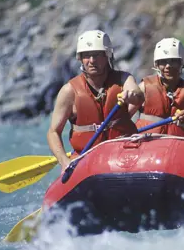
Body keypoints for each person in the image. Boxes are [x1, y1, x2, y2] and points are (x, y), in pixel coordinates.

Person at [47, 29, 144, 173]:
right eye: (86, 55)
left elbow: (138, 96)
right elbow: (54, 132)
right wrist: (64, 161)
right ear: (80, 58)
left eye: (97, 55)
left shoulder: (124, 79)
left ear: (107, 56)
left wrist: (131, 95)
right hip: (87, 157)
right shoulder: (69, 91)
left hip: (124, 153)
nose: (92, 61)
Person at [136, 37, 184, 136]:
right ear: (157, 65)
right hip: (147, 142)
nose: (168, 66)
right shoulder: (144, 87)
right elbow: (126, 115)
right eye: (163, 62)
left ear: (182, 63)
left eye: (173, 61)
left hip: (177, 144)